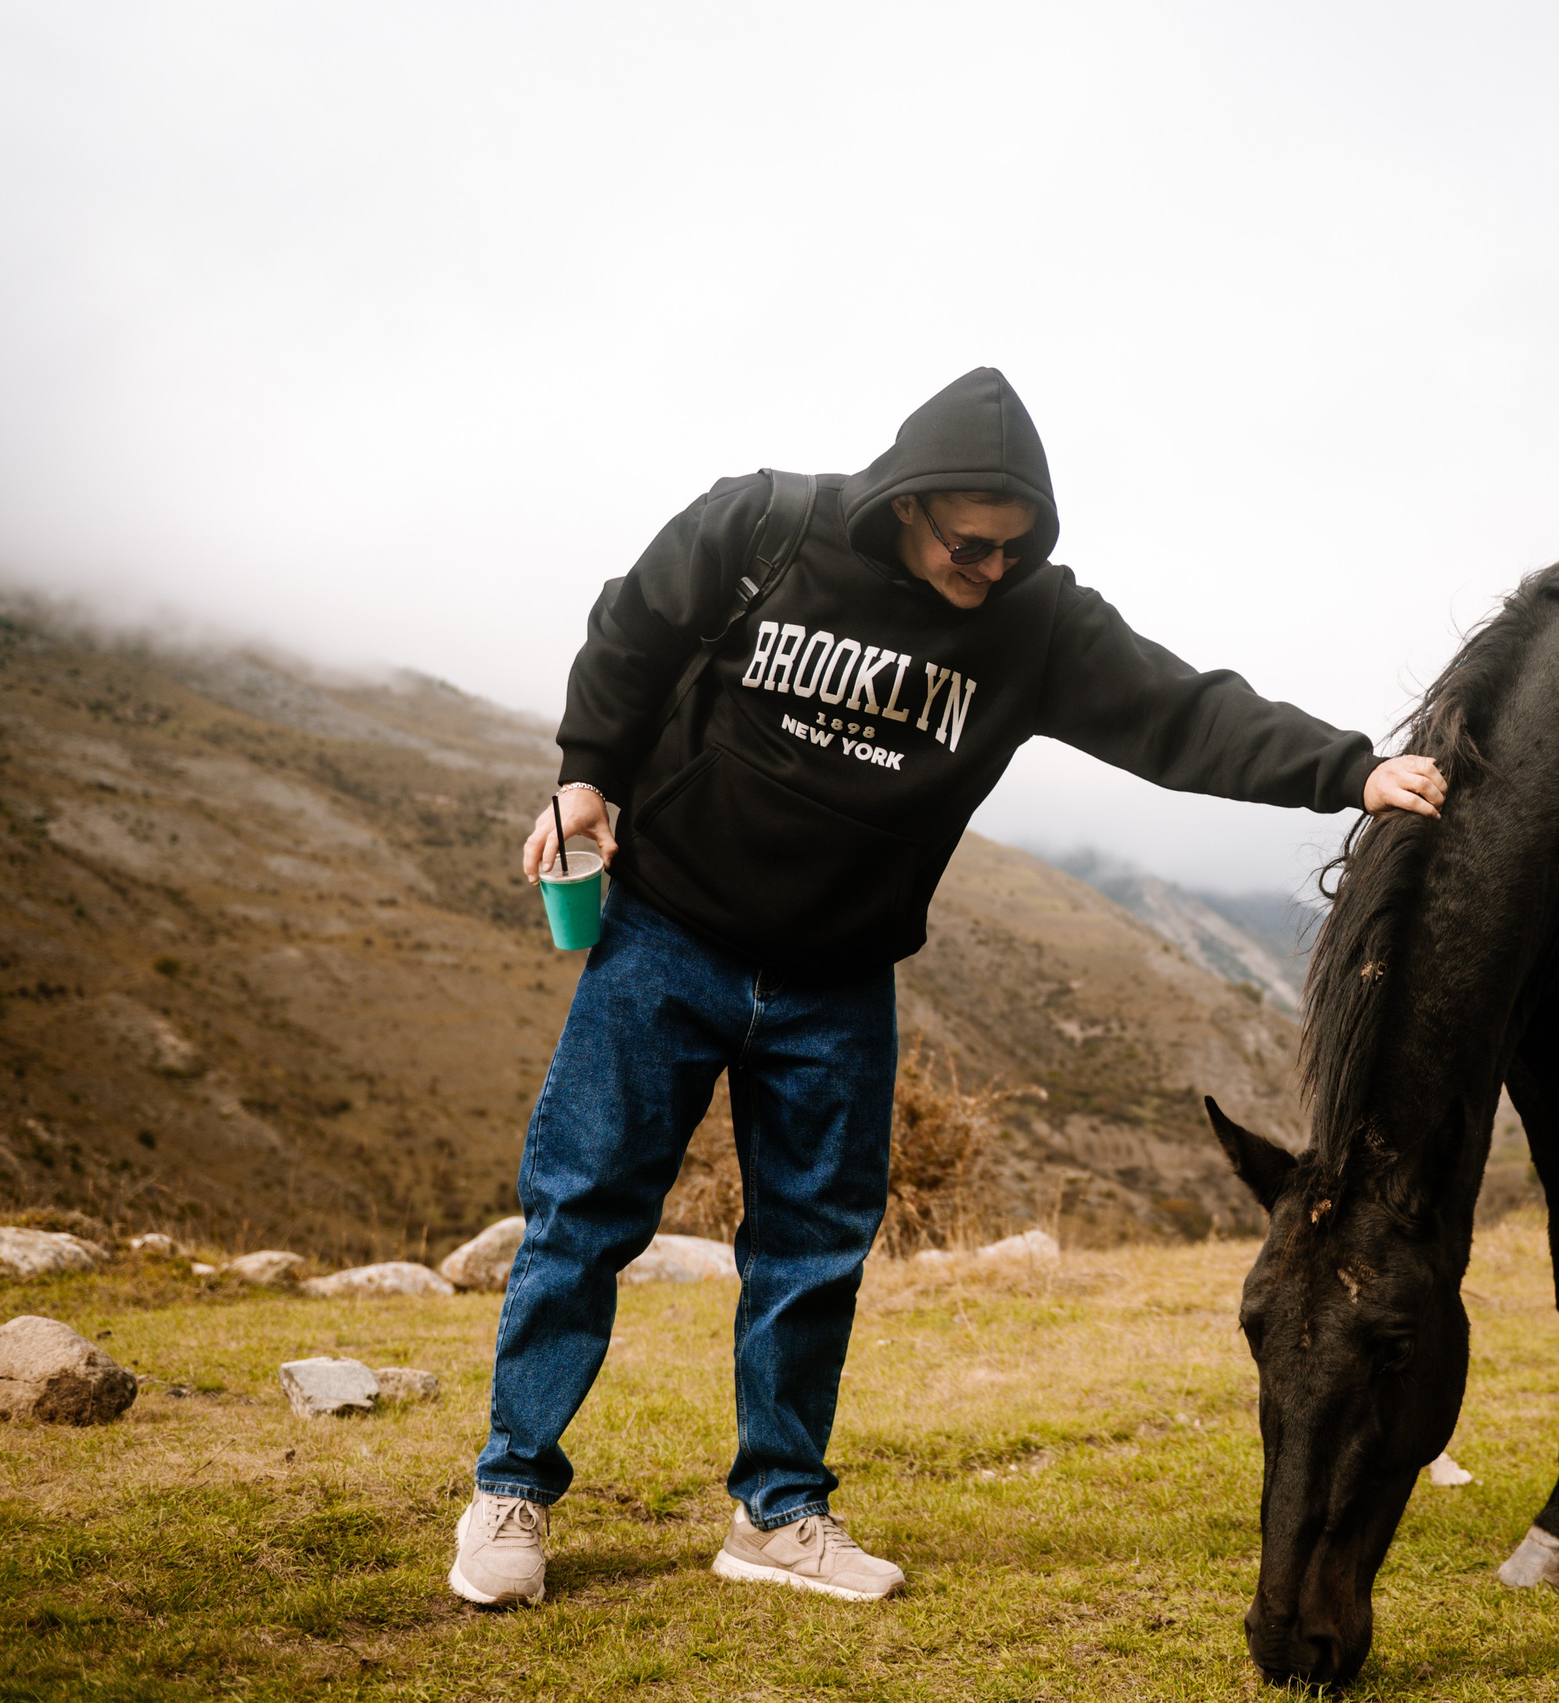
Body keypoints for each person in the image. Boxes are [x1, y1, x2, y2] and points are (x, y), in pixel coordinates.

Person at [449, 369, 1445, 1608]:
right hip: (667, 938)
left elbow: (1179, 711)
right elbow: (632, 626)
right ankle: (513, 1489)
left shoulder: (1033, 621)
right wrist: (585, 774)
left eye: (1014, 547)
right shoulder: (761, 525)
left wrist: (1351, 771)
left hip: (838, 982)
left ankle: (781, 1512)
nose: (989, 568)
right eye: (970, 544)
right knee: (583, 1216)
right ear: (906, 505)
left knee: (813, 1250)